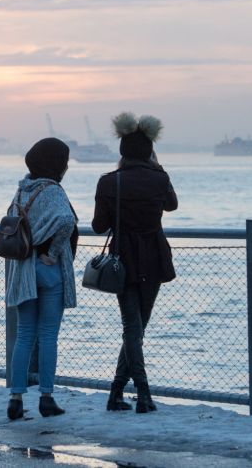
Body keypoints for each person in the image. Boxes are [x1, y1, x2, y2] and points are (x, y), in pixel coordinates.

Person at [92, 113, 178, 414]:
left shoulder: (108, 182)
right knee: (137, 327)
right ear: (149, 151)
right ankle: (141, 392)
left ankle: (119, 393)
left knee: (132, 326)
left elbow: (99, 225)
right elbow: (172, 205)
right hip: (153, 257)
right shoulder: (159, 178)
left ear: (122, 151)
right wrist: (158, 167)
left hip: (122, 259)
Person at [5, 137, 78, 420]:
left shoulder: (21, 191)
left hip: (23, 269)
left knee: (24, 335)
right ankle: (46, 398)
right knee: (48, 335)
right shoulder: (53, 190)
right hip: (48, 269)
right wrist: (54, 252)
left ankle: (15, 399)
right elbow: (66, 221)